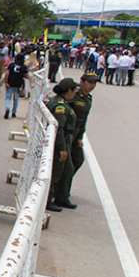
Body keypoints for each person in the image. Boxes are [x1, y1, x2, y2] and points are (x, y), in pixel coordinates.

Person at [60, 71, 98, 208]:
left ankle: (62, 187)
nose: (92, 85)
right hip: (67, 133)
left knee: (78, 159)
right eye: (90, 82)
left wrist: (80, 137)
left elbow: (83, 120)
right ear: (82, 82)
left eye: (94, 82)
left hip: (76, 134)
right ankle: (62, 195)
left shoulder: (88, 98)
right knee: (67, 166)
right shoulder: (73, 94)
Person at [46, 77, 78, 212]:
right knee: (55, 172)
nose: (75, 92)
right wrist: (62, 148)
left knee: (66, 170)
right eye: (74, 90)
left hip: (64, 141)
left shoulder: (61, 102)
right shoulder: (60, 106)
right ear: (68, 90)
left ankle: (60, 197)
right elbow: (59, 129)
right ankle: (48, 199)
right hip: (60, 143)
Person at [3, 53, 29, 119]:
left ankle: (7, 108)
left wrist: (6, 82)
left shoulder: (11, 65)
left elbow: (7, 74)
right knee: (16, 99)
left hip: (10, 83)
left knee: (8, 98)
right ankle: (14, 113)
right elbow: (26, 76)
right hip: (19, 85)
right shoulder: (24, 67)